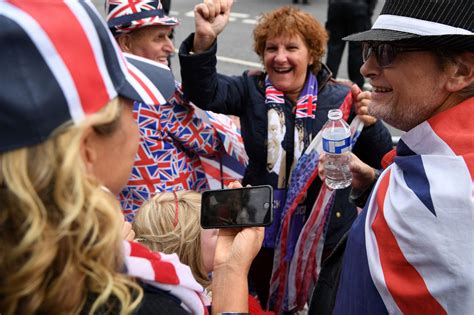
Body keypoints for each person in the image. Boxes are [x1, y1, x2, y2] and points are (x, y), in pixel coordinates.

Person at [0, 1, 263, 314]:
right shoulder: (139, 299)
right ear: (86, 148)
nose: (137, 127)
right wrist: (231, 272)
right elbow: (210, 140)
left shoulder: (32, 265)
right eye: (127, 108)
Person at [179, 0, 393, 308]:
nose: (279, 57)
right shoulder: (250, 88)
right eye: (271, 48)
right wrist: (205, 38)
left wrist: (371, 123)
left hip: (323, 233)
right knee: (261, 302)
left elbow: (384, 158)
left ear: (312, 54)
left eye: (291, 48)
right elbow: (203, 92)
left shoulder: (343, 98)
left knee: (323, 303)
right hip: (258, 227)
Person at [312, 0, 474, 314]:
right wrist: (374, 181)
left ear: (460, 71)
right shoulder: (438, 161)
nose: (366, 68)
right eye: (368, 49)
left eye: (387, 51)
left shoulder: (453, 191)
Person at [106, 0, 246, 221]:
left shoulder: (96, 89)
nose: (170, 47)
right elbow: (210, 142)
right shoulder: (159, 95)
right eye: (159, 37)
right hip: (170, 225)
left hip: (121, 224)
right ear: (125, 42)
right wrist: (229, 123)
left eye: (168, 36)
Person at [325, 0, 378, 89]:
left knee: (334, 47)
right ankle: (356, 85)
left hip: (336, 6)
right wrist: (368, 9)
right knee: (357, 49)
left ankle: (328, 81)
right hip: (358, 7)